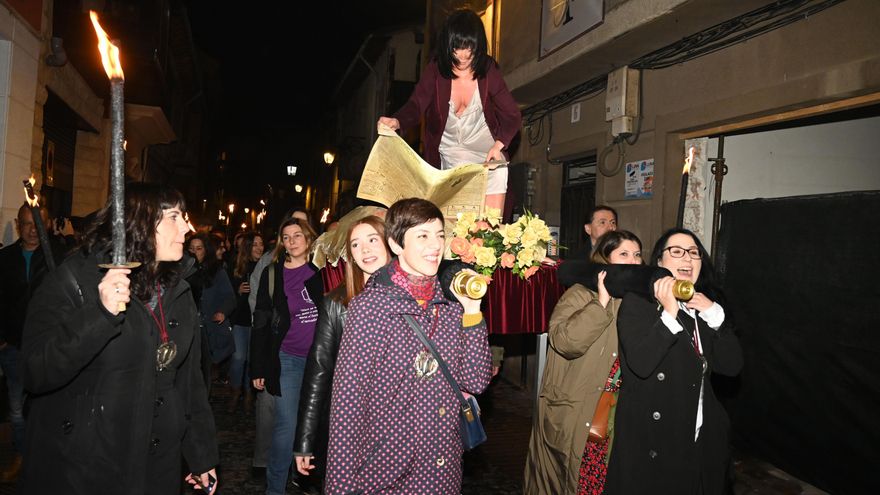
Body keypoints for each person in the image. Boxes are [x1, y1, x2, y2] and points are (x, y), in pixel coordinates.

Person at [19, 183, 218, 493]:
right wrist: (99, 313)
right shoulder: (74, 280)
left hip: (157, 464)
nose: (187, 228)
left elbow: (188, 383)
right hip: (89, 465)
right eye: (175, 217)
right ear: (140, 221)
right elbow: (35, 370)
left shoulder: (179, 290)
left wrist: (201, 454)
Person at [325, 198, 492, 494]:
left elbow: (475, 382)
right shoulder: (371, 307)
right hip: (386, 474)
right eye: (423, 236)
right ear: (396, 243)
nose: (435, 245)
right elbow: (347, 408)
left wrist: (472, 311)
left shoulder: (450, 307)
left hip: (442, 473)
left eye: (440, 234)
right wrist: (340, 488)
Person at [605, 228, 743, 495]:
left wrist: (716, 316)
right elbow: (642, 364)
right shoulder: (639, 304)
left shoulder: (703, 306)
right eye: (677, 252)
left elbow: (731, 366)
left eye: (694, 253)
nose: (688, 259)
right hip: (653, 441)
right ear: (659, 262)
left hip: (699, 439)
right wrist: (669, 311)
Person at [524, 230, 643, 494]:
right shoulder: (580, 294)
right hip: (579, 410)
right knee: (574, 481)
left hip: (617, 411)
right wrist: (600, 304)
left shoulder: (638, 300)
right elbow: (565, 342)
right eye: (624, 254)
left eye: (637, 255)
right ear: (605, 261)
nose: (633, 262)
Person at [377, 9, 521, 213]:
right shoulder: (435, 70)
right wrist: (397, 121)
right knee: (450, 216)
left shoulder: (488, 70)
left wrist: (498, 145)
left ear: (478, 45)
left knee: (498, 179)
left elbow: (512, 114)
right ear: (447, 46)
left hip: (485, 152)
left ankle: (491, 237)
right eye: (456, 48)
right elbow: (416, 104)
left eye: (469, 48)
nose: (463, 56)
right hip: (450, 153)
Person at [293, 215, 392, 482]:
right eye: (356, 245)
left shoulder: (415, 299)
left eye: (373, 239)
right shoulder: (337, 304)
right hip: (351, 428)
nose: (366, 250)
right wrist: (305, 440)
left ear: (390, 243)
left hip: (400, 428)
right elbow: (318, 372)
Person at [250, 217, 323, 495]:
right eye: (287, 236)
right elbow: (261, 322)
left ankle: (305, 477)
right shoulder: (273, 273)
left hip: (320, 362)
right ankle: (275, 489)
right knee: (287, 425)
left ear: (308, 238)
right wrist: (258, 367)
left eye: (297, 235)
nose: (292, 241)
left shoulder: (323, 270)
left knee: (314, 424)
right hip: (288, 357)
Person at [0, 204, 63, 482]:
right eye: (26, 223)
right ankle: (21, 454)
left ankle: (45, 457)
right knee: (16, 406)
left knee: (47, 405)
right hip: (13, 345)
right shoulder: (5, 258)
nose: (32, 230)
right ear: (17, 224)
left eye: (38, 223)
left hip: (46, 345)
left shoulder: (55, 258)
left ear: (47, 225)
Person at [186, 233, 236, 388]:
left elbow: (230, 298)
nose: (195, 252)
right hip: (187, 328)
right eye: (191, 248)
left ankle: (202, 405)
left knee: (204, 369)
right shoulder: (183, 273)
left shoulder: (217, 272)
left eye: (199, 248)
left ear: (205, 250)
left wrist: (222, 311)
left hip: (207, 329)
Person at [227, 231, 265, 413]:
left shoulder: (267, 267)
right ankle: (235, 392)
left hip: (258, 321)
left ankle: (249, 395)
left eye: (261, 244)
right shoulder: (237, 267)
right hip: (241, 320)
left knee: (252, 359)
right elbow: (225, 294)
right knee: (238, 358)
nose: (259, 248)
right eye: (255, 244)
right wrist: (238, 291)